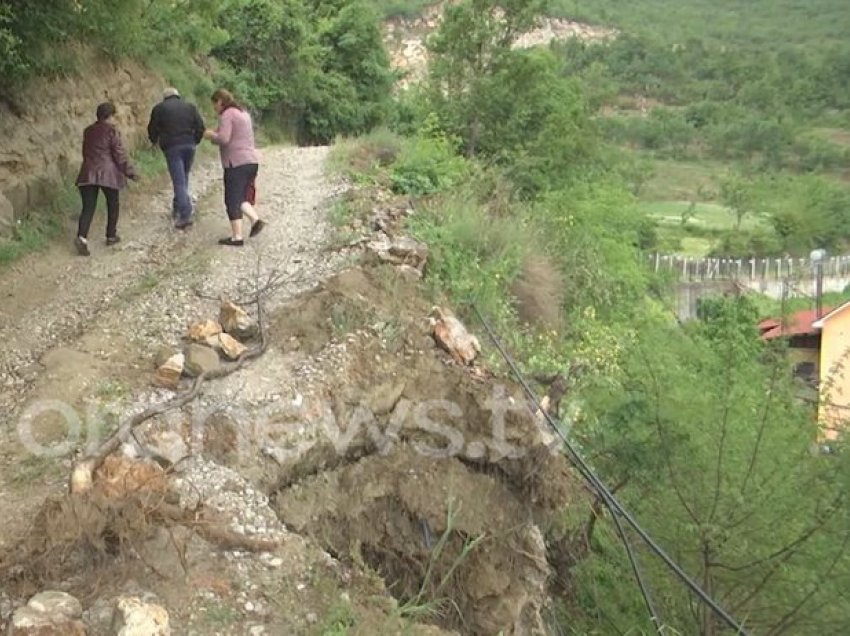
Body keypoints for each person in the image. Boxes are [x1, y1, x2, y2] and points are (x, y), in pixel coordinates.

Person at [74, 102, 138, 257]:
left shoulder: (88, 131)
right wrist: (130, 172)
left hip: (87, 172)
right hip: (108, 173)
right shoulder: (112, 131)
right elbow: (119, 154)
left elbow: (85, 152)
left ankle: (82, 237)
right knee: (113, 203)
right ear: (110, 116)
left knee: (88, 207)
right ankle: (111, 235)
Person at [203, 88, 265, 246]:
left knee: (232, 199)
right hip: (251, 161)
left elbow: (224, 138)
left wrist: (211, 136)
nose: (214, 108)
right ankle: (255, 220)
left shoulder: (227, 114)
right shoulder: (243, 113)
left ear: (220, 101)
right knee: (241, 197)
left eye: (214, 104)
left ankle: (237, 237)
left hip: (236, 163)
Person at [146, 87, 205, 229]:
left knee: (179, 180)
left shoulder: (159, 109)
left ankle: (185, 215)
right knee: (183, 177)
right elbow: (200, 126)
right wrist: (194, 140)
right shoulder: (190, 107)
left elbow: (152, 128)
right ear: (178, 95)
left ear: (165, 97)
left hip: (172, 147)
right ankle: (178, 207)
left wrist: (154, 141)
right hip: (189, 145)